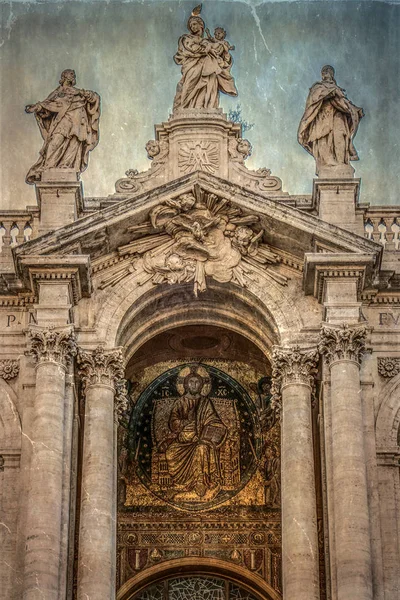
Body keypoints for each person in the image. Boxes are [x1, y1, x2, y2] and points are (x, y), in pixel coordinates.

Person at [161, 367, 227, 501]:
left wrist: (213, 429)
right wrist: (186, 422)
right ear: (185, 385)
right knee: (170, 453)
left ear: (202, 386)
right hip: (184, 440)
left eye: (197, 383)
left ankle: (200, 482)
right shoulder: (180, 402)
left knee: (201, 448)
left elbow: (213, 419)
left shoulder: (205, 402)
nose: (194, 385)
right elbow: (173, 422)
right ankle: (180, 484)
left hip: (201, 440)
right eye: (191, 382)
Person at [25, 69, 100, 183]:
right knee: (55, 141)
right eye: (70, 74)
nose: (73, 76)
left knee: (74, 144)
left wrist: (83, 93)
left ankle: (66, 166)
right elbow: (48, 105)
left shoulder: (79, 92)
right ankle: (48, 166)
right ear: (64, 77)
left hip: (78, 121)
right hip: (63, 121)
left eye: (73, 75)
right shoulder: (57, 93)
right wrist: (37, 107)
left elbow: (95, 98)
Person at [297, 65, 364, 174]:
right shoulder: (318, 87)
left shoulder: (338, 89)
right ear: (322, 75)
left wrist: (355, 110)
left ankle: (341, 163)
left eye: (329, 71)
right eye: (324, 71)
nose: (326, 73)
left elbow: (344, 104)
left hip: (338, 117)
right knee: (324, 140)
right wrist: (331, 92)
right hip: (323, 118)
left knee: (340, 137)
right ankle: (328, 164)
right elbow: (314, 100)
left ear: (332, 75)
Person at [173, 10, 237, 111]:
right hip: (192, 66)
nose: (192, 27)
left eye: (194, 24)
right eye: (191, 25)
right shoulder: (187, 38)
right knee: (189, 84)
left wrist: (223, 49)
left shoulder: (206, 41)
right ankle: (185, 106)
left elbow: (222, 56)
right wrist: (207, 50)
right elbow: (192, 48)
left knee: (208, 82)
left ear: (201, 25)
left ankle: (204, 106)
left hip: (207, 68)